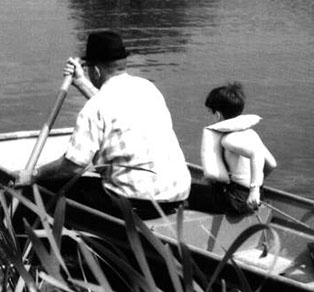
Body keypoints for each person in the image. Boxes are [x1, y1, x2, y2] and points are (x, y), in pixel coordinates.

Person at [15, 30, 191, 219]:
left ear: (96, 71)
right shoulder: (148, 88)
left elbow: (74, 165)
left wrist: (34, 174)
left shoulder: (95, 107)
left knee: (48, 185)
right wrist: (81, 81)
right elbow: (115, 109)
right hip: (178, 195)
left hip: (134, 203)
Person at [200, 82, 277, 215]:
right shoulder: (251, 134)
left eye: (210, 113)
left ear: (217, 115)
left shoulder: (228, 139)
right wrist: (256, 186)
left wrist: (253, 191)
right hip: (255, 197)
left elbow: (256, 154)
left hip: (237, 201)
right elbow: (272, 164)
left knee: (192, 192)